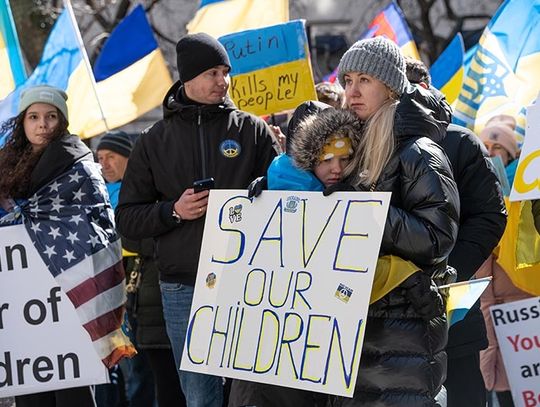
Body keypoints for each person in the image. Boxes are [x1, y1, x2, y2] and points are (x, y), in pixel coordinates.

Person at [115, 32, 278, 407]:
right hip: (183, 287)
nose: (223, 81)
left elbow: (284, 200)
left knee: (249, 393)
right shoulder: (152, 141)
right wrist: (173, 211)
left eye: (226, 72)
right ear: (187, 77)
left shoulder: (253, 131)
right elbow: (126, 219)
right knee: (201, 397)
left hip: (248, 282)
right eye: (212, 73)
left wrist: (283, 168)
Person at [331, 36, 460, 406]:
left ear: (389, 87)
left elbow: (437, 237)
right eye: (348, 81)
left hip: (403, 328)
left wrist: (369, 212)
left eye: (365, 80)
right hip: (353, 321)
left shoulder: (418, 152)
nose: (352, 91)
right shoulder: (346, 147)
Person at [406, 58, 507, 407]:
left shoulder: (460, 143)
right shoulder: (366, 143)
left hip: (454, 318)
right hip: (392, 331)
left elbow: (491, 216)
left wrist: (446, 277)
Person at [0, 85, 100, 407]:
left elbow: (96, 224)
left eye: (51, 116)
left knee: (75, 391)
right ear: (22, 123)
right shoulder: (3, 168)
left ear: (62, 122)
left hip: (69, 297)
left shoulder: (80, 166)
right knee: (33, 393)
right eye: (34, 117)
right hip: (23, 304)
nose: (42, 124)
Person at [95, 131, 159, 407]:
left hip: (136, 288)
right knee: (116, 368)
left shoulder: (142, 190)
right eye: (100, 158)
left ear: (128, 158)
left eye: (111, 156)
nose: (104, 164)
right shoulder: (94, 192)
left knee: (138, 368)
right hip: (106, 290)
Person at [478, 115, 520, 187]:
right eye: (485, 147)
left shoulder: (523, 179)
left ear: (509, 155)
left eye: (497, 147)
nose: (490, 153)